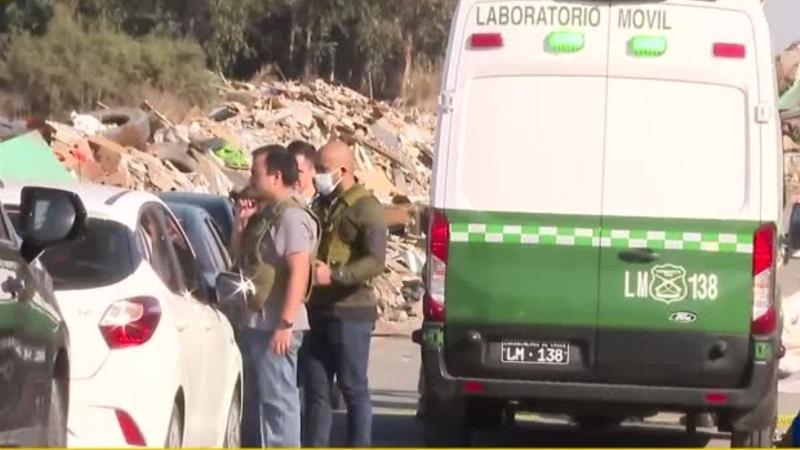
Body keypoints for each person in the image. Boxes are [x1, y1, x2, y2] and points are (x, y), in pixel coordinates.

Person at [230, 144, 319, 448]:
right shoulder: (267, 214)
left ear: (276, 176)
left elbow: (299, 270)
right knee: (260, 404)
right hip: (258, 321)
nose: (251, 179)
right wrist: (241, 225)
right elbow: (238, 260)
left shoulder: (291, 217)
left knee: (279, 405)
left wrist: (285, 323)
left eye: (256, 173)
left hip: (276, 325)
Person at [301, 140, 387, 447]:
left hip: (351, 312)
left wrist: (335, 275)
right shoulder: (322, 204)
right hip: (317, 311)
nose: (317, 178)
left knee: (353, 389)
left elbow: (376, 260)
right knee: (316, 392)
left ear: (343, 170)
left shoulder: (367, 208)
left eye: (323, 171)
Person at [288, 140, 318, 204]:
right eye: (289, 170)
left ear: (313, 171)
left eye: (298, 171)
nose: (292, 176)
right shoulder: (278, 204)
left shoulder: (328, 207)